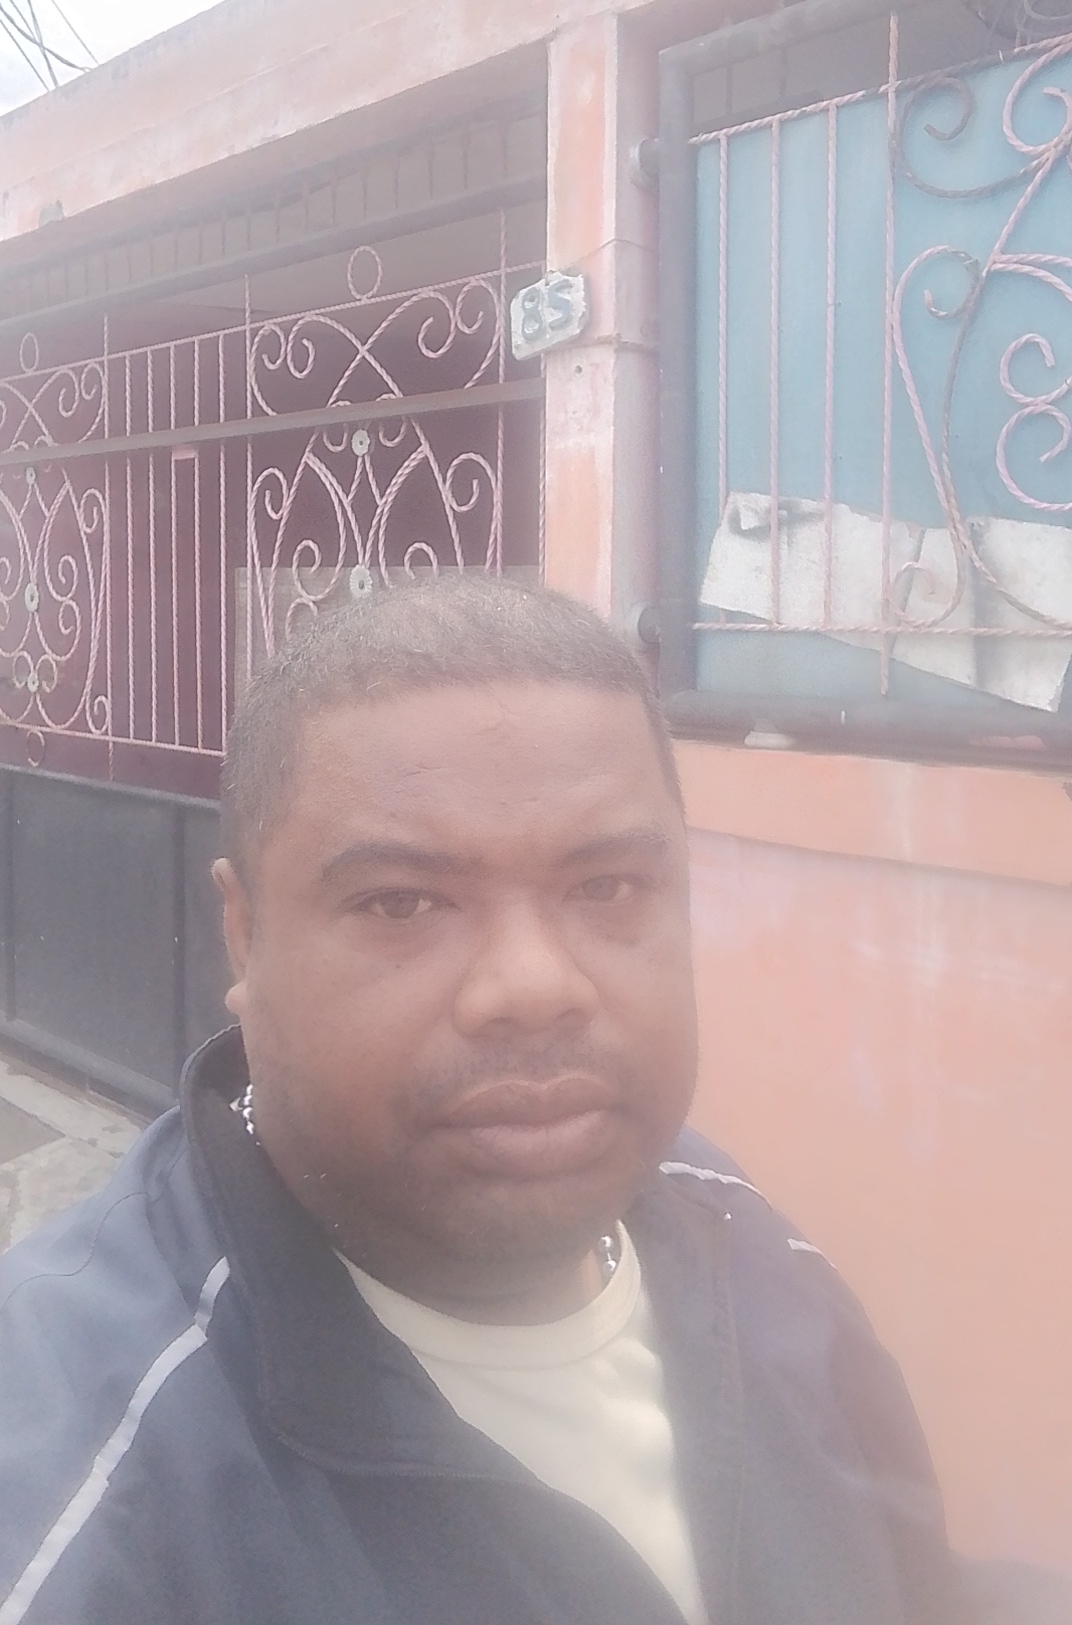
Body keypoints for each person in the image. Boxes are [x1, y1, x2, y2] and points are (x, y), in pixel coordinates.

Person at [0, 575, 1067, 1625]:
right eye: (401, 902)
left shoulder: (743, 1240)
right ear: (246, 936)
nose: (533, 985)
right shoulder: (81, 1490)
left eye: (608, 888)